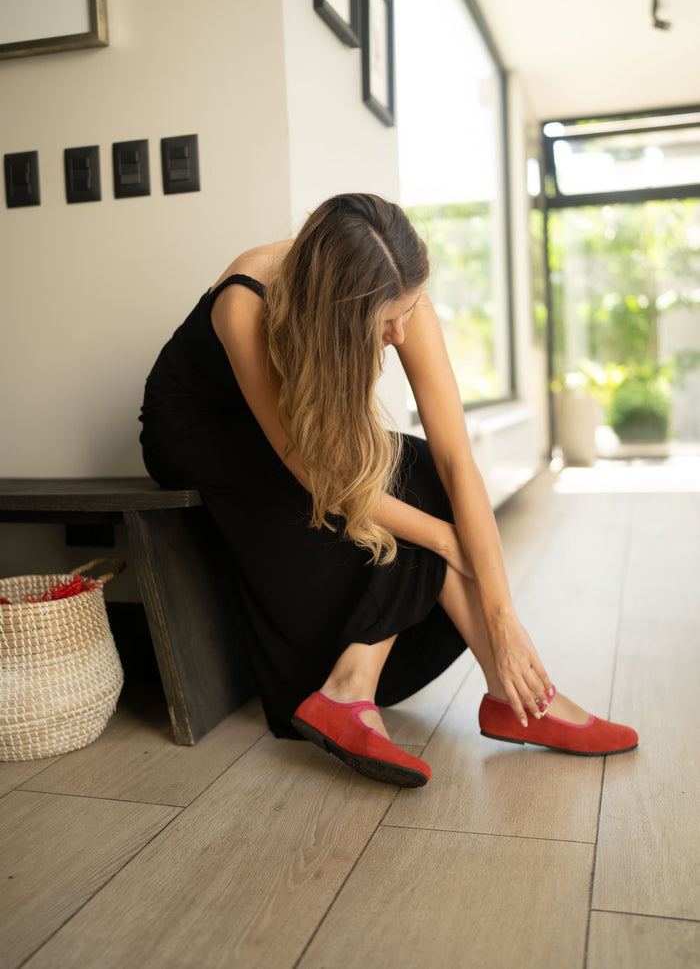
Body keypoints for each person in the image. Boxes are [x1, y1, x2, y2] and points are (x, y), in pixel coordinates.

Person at [140, 193, 637, 788]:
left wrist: (505, 618)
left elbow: (456, 459)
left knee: (421, 468)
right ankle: (476, 697)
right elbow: (317, 473)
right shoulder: (243, 306)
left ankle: (470, 690)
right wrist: (449, 540)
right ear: (337, 314)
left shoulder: (401, 292)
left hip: (290, 432)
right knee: (415, 511)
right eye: (385, 322)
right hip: (205, 433)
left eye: (408, 310)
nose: (401, 331)